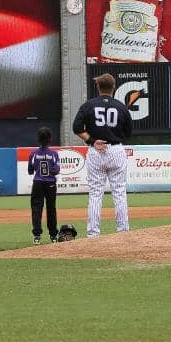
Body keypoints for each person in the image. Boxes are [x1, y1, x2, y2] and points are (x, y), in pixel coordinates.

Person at [72, 73, 134, 237]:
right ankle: (123, 231)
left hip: (96, 150)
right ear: (114, 87)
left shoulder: (88, 105)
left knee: (95, 193)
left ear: (98, 87)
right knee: (119, 192)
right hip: (115, 149)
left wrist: (92, 140)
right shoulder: (121, 106)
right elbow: (128, 132)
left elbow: (77, 127)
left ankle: (93, 234)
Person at [27, 126, 60, 244]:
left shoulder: (33, 154)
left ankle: (37, 236)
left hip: (38, 183)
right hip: (50, 183)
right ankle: (53, 235)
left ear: (38, 139)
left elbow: (30, 171)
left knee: (36, 209)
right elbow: (56, 170)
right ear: (50, 139)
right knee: (51, 209)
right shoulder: (54, 154)